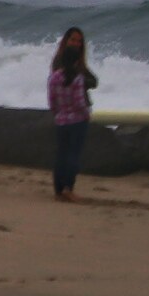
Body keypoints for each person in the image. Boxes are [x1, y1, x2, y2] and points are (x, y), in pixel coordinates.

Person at [47, 27, 97, 202]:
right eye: (73, 40)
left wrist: (56, 113)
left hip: (61, 118)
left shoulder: (54, 78)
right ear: (66, 40)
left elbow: (52, 99)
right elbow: (79, 100)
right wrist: (85, 114)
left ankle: (59, 189)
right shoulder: (76, 76)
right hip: (77, 118)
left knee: (62, 154)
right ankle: (68, 188)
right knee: (72, 155)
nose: (76, 44)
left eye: (79, 41)